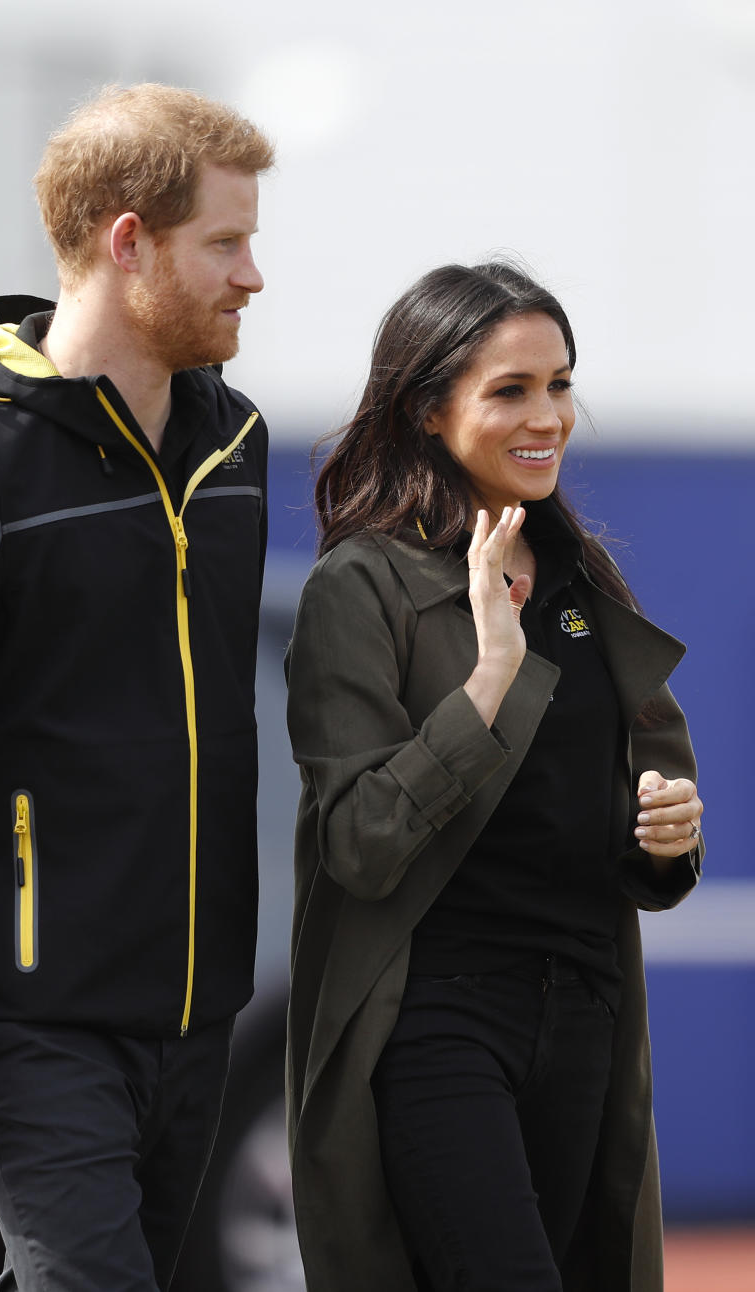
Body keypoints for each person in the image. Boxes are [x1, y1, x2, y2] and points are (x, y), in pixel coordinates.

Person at [0, 83, 274, 1292]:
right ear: (130, 242)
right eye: (225, 242)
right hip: (32, 1008)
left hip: (199, 1004)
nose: (253, 276)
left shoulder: (234, 448)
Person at [284, 262, 703, 1292]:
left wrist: (667, 838)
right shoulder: (360, 585)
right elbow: (359, 841)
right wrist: (489, 683)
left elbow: (628, 808)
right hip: (438, 1015)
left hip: (586, 1014)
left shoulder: (579, 577)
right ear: (429, 409)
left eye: (559, 384)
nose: (548, 414)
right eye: (510, 389)